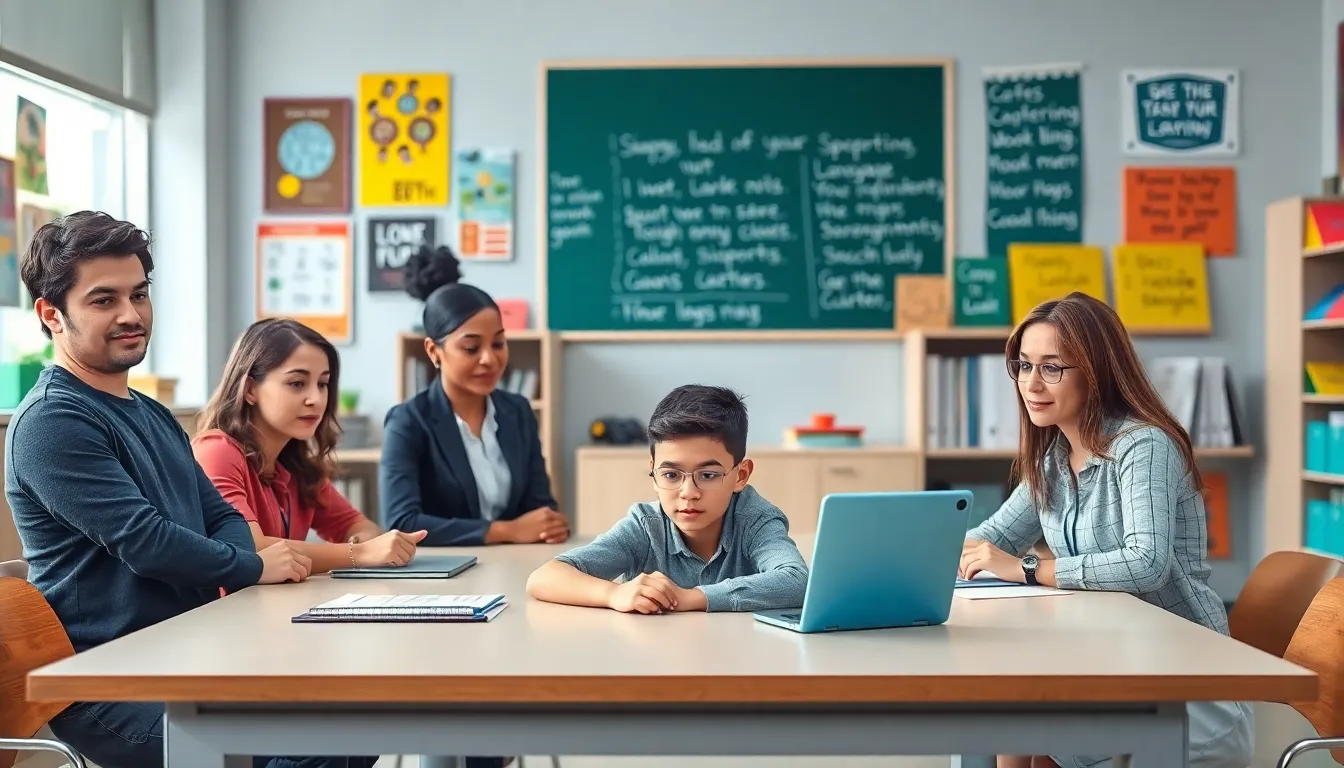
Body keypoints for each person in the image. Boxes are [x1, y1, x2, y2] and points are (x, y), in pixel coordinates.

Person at [4, 212, 375, 768]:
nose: (132, 315)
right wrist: (253, 565)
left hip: (192, 647)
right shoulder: (53, 422)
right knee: (312, 744)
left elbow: (217, 514)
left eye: (140, 295)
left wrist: (237, 553)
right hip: (111, 680)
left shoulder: (150, 413)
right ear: (52, 314)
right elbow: (148, 542)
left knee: (351, 715)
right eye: (104, 300)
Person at [958, 292, 1253, 768]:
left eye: (1052, 367)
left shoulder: (1143, 445)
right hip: (1111, 665)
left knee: (1013, 718)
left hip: (1184, 687)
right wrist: (914, 547)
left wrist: (1027, 569)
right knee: (1000, 716)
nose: (1032, 383)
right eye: (1024, 365)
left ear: (1096, 371)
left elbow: (1146, 563)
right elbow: (989, 540)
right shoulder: (1052, 458)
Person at [526, 384, 808, 613]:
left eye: (708, 475)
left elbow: (798, 581)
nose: (688, 493)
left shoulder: (755, 519)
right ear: (653, 471)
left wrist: (693, 598)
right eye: (671, 475)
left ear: (741, 475)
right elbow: (544, 578)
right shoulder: (645, 527)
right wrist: (614, 593)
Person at [193, 317, 428, 574]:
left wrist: (366, 545)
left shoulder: (296, 466)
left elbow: (361, 528)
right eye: (297, 384)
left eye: (323, 384)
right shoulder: (216, 451)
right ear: (250, 389)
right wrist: (359, 553)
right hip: (223, 612)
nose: (316, 399)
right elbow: (250, 549)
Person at [380, 244, 568, 547]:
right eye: (471, 348)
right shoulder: (408, 421)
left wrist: (549, 525)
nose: (489, 360)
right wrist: (506, 531)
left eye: (498, 344)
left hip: (514, 565)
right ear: (434, 351)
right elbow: (402, 522)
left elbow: (540, 507)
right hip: (441, 579)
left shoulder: (517, 411)